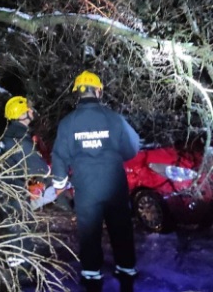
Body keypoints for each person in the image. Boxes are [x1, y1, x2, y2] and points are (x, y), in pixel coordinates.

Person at [51, 71, 140, 289]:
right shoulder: (114, 118)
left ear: (78, 94)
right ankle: (125, 267)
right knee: (121, 227)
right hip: (114, 185)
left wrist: (60, 184)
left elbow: (59, 156)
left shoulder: (67, 123)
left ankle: (91, 273)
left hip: (86, 188)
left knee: (89, 230)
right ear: (98, 91)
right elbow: (132, 147)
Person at [0, 96, 58, 268]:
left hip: (5, 189)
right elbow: (39, 168)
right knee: (20, 231)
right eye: (28, 109)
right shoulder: (20, 139)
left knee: (13, 229)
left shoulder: (9, 135)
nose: (32, 111)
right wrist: (55, 179)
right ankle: (21, 272)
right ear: (22, 113)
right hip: (13, 192)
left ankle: (16, 265)